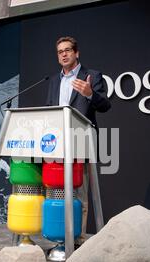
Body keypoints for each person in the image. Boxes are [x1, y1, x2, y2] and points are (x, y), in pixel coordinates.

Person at [46, 36, 111, 244]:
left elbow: (105, 105)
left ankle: (78, 239)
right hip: (55, 146)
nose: (64, 54)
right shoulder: (54, 81)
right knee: (55, 192)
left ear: (76, 53)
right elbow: (49, 109)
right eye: (60, 52)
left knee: (79, 195)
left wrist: (90, 93)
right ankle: (58, 239)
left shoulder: (91, 76)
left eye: (67, 50)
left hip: (81, 142)